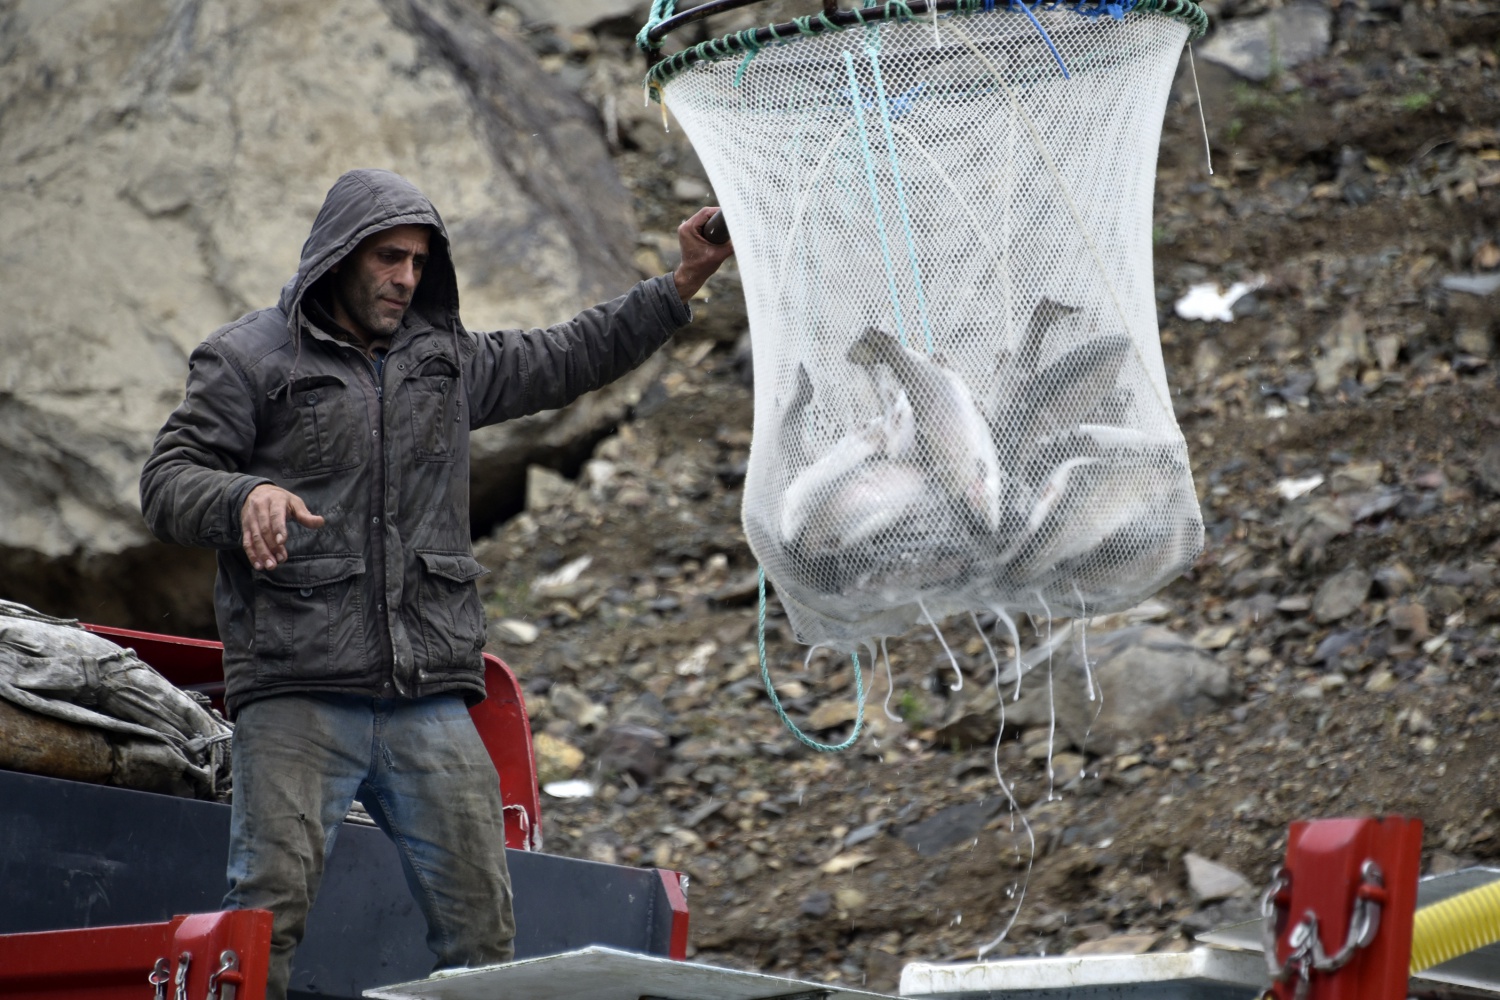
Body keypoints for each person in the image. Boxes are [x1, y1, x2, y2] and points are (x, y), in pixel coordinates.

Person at [139, 168, 733, 999]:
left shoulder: (444, 362)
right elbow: (167, 481)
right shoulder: (247, 359)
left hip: (426, 699)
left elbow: (568, 355)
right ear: (339, 256)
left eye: (418, 261)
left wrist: (683, 283)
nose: (405, 278)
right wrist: (245, 496)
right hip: (299, 689)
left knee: (484, 932)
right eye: (388, 258)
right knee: (262, 924)